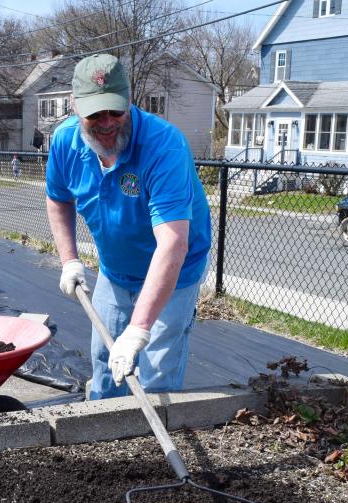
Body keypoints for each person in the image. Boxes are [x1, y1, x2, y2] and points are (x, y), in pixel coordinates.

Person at [45, 54, 211, 400]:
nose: (106, 123)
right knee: (105, 361)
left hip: (174, 275)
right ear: (75, 106)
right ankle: (102, 443)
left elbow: (173, 244)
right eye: (95, 114)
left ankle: (150, 447)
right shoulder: (65, 143)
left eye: (115, 111)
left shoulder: (163, 146)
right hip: (115, 272)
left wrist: (139, 329)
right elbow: (59, 198)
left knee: (154, 375)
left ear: (130, 99)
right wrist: (69, 259)